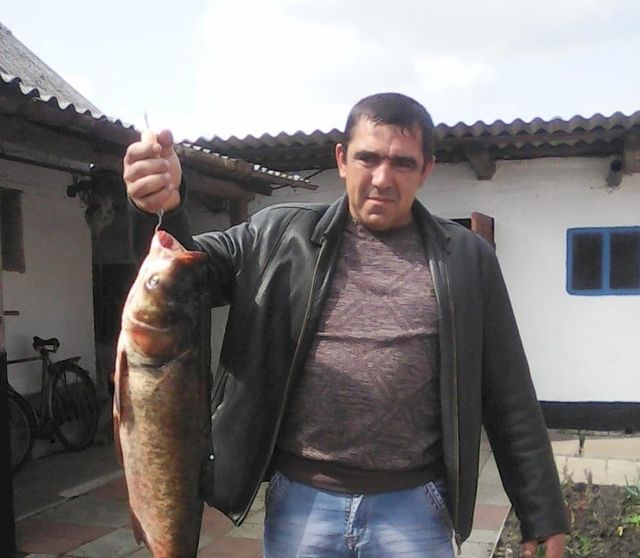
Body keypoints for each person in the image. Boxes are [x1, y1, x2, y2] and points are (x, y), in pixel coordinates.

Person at [123, 92, 568, 557]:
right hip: (302, 505)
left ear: (426, 169)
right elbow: (181, 273)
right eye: (367, 158)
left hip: (415, 510)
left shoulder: (466, 257)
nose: (382, 178)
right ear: (341, 159)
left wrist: (540, 510)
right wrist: (163, 205)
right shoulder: (276, 237)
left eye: (402, 162)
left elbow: (507, 389)